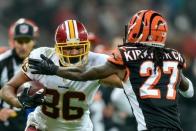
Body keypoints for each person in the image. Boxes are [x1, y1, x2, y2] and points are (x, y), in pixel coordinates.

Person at [28, 10, 194, 131]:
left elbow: (84, 75)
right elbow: (189, 92)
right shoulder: (175, 57)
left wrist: (56, 70)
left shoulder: (127, 55)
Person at [1, 19, 122, 131]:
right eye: (69, 48)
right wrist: (19, 102)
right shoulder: (42, 57)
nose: (74, 52)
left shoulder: (97, 61)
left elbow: (125, 82)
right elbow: (8, 87)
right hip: (41, 126)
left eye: (79, 47)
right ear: (58, 48)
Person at [0, 18, 39, 131]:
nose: (23, 46)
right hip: (7, 123)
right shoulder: (2, 62)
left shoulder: (44, 62)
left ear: (34, 41)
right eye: (20, 41)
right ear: (13, 41)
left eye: (27, 41)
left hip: (37, 123)